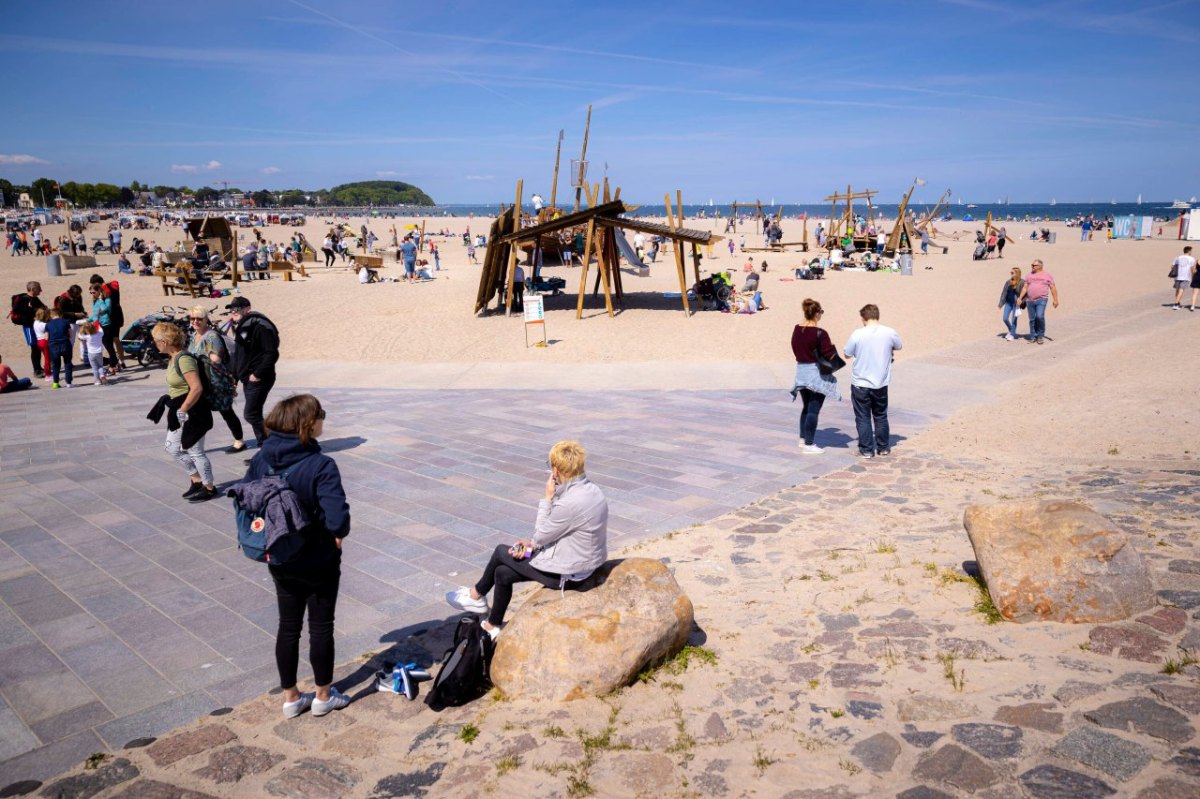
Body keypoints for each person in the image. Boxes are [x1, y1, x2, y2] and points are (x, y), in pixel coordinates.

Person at [241, 394, 351, 719]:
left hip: (280, 556)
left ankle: (290, 698)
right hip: (318, 559)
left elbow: (247, 499)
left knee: (288, 626)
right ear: (308, 423)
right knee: (321, 627)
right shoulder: (321, 465)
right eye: (321, 415)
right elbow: (338, 521)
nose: (323, 420)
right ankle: (323, 696)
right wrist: (336, 535)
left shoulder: (262, 458)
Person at [446, 440, 608, 639]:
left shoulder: (570, 504)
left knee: (500, 552)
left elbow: (541, 533)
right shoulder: (592, 491)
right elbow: (555, 533)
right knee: (503, 572)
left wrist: (548, 497)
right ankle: (493, 624)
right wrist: (533, 545)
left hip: (569, 574)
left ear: (555, 470)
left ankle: (476, 595)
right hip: (583, 563)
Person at [150, 321, 216, 501]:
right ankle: (196, 480)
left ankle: (209, 487)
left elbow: (196, 388)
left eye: (156, 340)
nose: (154, 343)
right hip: (178, 409)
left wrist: (183, 409)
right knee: (172, 448)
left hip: (193, 411)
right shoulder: (172, 358)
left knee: (195, 451)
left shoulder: (184, 359)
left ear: (164, 341)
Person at [844, 304, 903, 458]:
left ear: (864, 318)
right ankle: (883, 447)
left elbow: (847, 353)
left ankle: (867, 449)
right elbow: (899, 346)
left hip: (860, 382)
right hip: (880, 382)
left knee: (863, 416)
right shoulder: (890, 332)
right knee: (880, 415)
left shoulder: (858, 333)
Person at [188, 307, 244, 453]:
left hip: (215, 382)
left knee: (226, 412)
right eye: (192, 318)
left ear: (206, 319)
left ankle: (239, 440)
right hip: (200, 381)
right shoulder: (194, 336)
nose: (195, 321)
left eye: (199, 318)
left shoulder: (212, 336)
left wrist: (198, 359)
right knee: (198, 414)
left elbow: (216, 359)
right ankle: (194, 444)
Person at [227, 297, 280, 452]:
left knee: (251, 414)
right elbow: (240, 355)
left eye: (237, 309)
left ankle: (270, 449)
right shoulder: (244, 325)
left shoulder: (259, 326)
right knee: (254, 414)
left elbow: (271, 353)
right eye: (231, 309)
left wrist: (257, 374)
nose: (233, 312)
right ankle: (266, 449)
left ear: (247, 308)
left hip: (260, 378)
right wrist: (235, 377)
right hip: (247, 377)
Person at [790, 299, 841, 454]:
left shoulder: (797, 329)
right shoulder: (820, 333)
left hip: (801, 371)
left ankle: (803, 438)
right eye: (821, 312)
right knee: (813, 409)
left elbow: (794, 347)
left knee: (806, 407)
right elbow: (828, 353)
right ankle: (809, 444)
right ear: (817, 313)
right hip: (815, 373)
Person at [1016, 259, 1058, 344]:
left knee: (1039, 316)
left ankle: (1040, 335)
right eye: (1032, 265)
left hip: (1042, 299)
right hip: (1030, 300)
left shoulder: (1047, 275)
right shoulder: (1029, 275)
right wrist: (1020, 298)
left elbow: (1053, 287)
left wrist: (1055, 300)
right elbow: (1025, 287)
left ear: (1040, 266)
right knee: (1032, 319)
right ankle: (1033, 336)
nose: (1032, 266)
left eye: (1034, 265)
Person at [89, 275, 126, 372]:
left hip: (110, 318)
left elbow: (106, 307)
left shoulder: (105, 290)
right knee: (116, 339)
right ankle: (121, 361)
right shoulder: (112, 286)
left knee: (110, 341)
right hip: (118, 314)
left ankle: (114, 364)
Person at [13, 281, 47, 377]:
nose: (41, 290)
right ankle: (36, 370)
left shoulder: (35, 299)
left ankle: (39, 368)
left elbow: (43, 308)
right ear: (32, 289)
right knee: (34, 347)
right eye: (38, 288)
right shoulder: (23, 299)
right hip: (29, 326)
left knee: (39, 347)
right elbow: (17, 310)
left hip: (37, 326)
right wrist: (32, 309)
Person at [46, 309, 75, 389]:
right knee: (68, 363)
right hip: (65, 344)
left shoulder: (48, 324)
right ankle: (69, 383)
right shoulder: (66, 322)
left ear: (51, 315)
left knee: (55, 365)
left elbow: (46, 337)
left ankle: (55, 383)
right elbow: (71, 334)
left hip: (53, 346)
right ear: (60, 315)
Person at [998, 267, 1025, 341]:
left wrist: (1022, 302)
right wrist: (1001, 303)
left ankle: (1012, 334)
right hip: (1008, 303)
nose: (1011, 274)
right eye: (1011, 273)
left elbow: (1025, 293)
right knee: (1005, 318)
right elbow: (1004, 292)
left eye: (1012, 273)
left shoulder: (1022, 282)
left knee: (1014, 320)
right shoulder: (1008, 282)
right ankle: (1011, 329)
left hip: (1016, 305)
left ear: (1017, 273)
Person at [78, 321, 109, 385]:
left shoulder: (87, 337)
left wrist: (82, 328)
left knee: (94, 368)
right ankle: (102, 375)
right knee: (100, 366)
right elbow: (101, 330)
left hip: (91, 354)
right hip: (99, 353)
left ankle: (97, 380)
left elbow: (80, 336)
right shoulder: (99, 334)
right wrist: (98, 325)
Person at [1170, 246, 1195, 310]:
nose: (1191, 252)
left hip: (1177, 276)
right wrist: (1193, 276)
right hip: (1185, 276)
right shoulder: (1192, 258)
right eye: (1191, 251)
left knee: (1177, 290)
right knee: (1181, 290)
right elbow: (1192, 268)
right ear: (1189, 251)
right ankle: (1175, 304)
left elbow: (1172, 266)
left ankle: (1178, 303)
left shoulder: (1178, 257)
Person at [32, 308, 52, 380]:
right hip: (45, 341)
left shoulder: (35, 322)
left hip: (39, 341)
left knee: (46, 357)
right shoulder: (45, 324)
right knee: (47, 359)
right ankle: (48, 374)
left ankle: (48, 372)